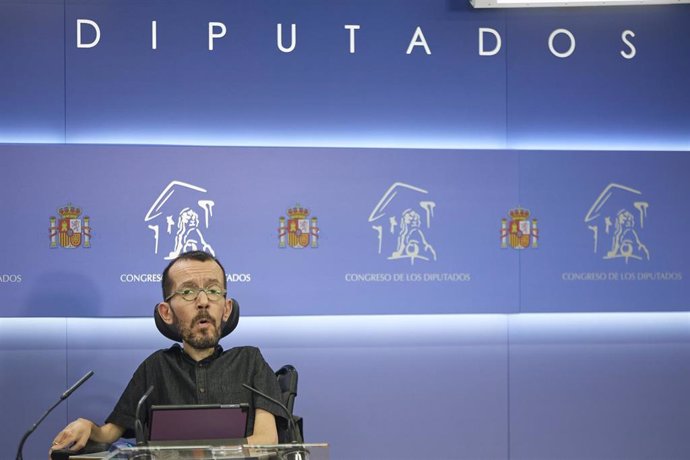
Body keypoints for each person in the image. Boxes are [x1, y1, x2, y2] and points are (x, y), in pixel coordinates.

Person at [49, 251, 283, 455]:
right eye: (188, 292)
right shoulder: (156, 368)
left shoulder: (250, 361)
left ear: (227, 308)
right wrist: (88, 426)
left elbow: (267, 440)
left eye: (213, 290)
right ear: (166, 312)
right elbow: (109, 434)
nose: (203, 301)